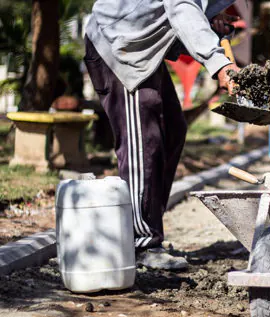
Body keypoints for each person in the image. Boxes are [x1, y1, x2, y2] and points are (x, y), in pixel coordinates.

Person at [84, 0, 240, 269]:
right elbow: (181, 7)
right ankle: (140, 240)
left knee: (171, 131)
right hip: (120, 44)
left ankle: (149, 228)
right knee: (143, 143)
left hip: (143, 51)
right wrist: (220, 64)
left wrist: (211, 18)